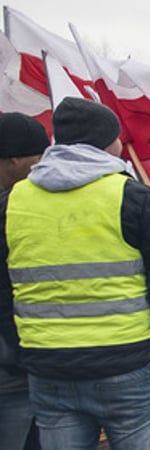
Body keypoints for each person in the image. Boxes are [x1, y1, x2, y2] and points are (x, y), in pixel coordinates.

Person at [0, 97, 150, 449]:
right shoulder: (134, 197)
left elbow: (3, 287)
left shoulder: (13, 200)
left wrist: (26, 349)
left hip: (49, 368)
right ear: (110, 142)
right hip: (128, 364)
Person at [0, 112, 48, 450]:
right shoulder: (11, 207)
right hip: (13, 364)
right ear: (14, 158)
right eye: (38, 158)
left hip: (26, 364)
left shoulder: (29, 204)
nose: (44, 166)